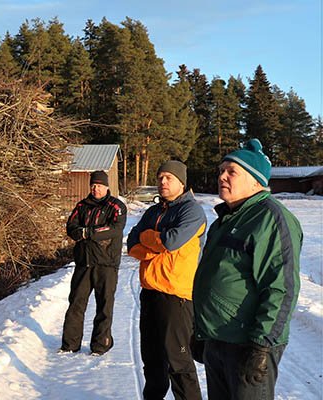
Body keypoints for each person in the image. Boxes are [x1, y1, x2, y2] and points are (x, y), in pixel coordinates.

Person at [193, 139, 303, 400]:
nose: (222, 176)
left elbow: (282, 288)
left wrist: (262, 347)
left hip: (247, 344)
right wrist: (200, 329)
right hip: (217, 339)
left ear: (256, 181)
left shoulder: (270, 219)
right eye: (221, 170)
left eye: (232, 171)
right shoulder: (225, 220)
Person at [127, 160, 205, 400]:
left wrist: (147, 237)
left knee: (178, 362)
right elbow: (131, 243)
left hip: (176, 297)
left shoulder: (192, 211)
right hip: (150, 293)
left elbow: (172, 241)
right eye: (160, 177)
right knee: (151, 360)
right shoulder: (154, 211)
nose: (162, 182)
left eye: (169, 178)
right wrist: (153, 246)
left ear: (182, 182)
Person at [60, 170, 126, 355]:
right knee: (76, 304)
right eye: (93, 185)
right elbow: (71, 227)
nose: (95, 188)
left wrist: (88, 233)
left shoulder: (116, 206)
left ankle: (100, 345)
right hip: (84, 263)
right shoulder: (82, 206)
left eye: (99, 185)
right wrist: (80, 232)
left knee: (104, 306)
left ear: (106, 186)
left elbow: (115, 229)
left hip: (107, 264)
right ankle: (70, 344)